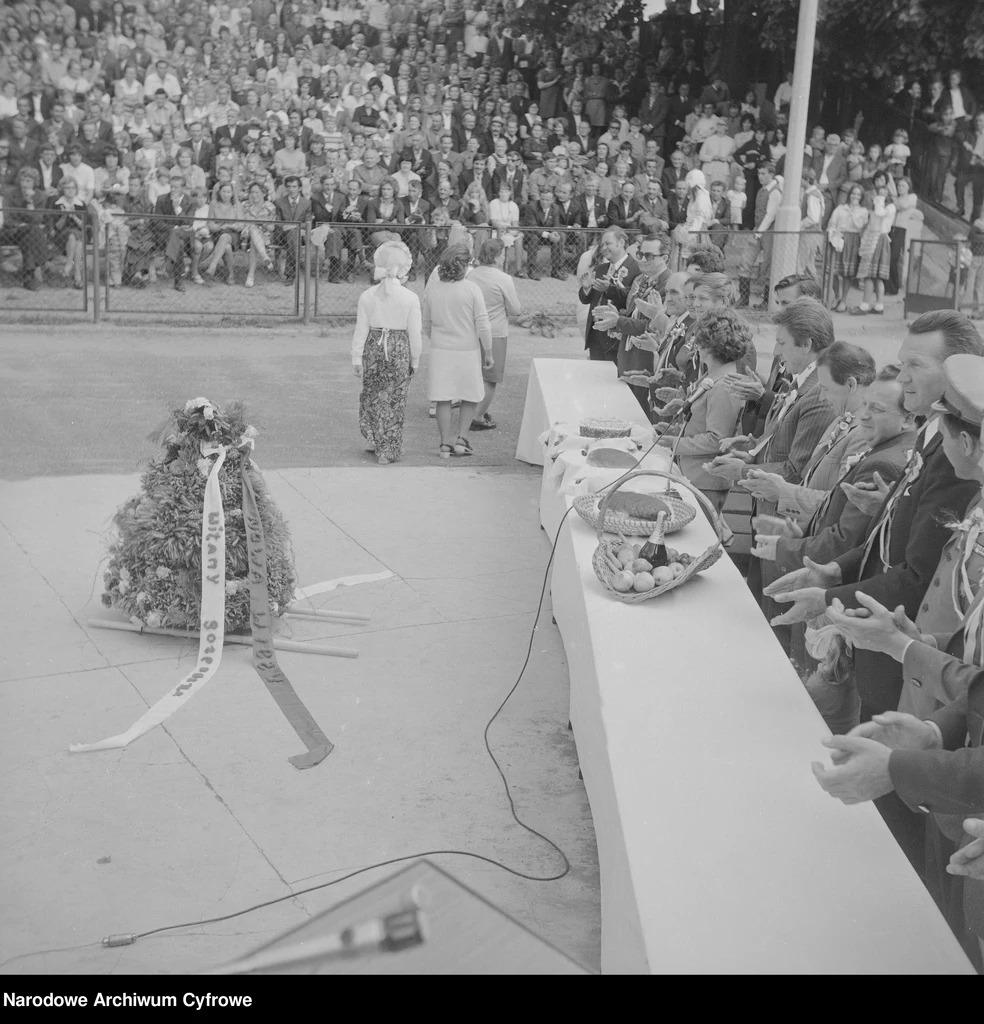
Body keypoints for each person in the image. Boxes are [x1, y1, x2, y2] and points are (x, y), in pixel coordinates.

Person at [708, 298, 838, 640]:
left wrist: (742, 471)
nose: (776, 352)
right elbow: (780, 437)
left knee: (774, 614)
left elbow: (796, 470)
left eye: (781, 343)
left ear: (807, 344)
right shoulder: (801, 383)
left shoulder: (819, 394)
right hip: (769, 508)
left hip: (786, 520)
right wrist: (751, 449)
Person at [655, 308, 748, 514]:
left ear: (708, 345)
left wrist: (675, 444)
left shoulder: (724, 384)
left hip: (706, 480)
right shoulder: (713, 375)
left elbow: (717, 439)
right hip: (695, 474)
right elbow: (701, 420)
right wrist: (676, 430)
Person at [352, 240, 422, 466]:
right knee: (395, 399)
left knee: (373, 394)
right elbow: (415, 334)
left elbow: (361, 328)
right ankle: (387, 448)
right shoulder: (411, 298)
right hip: (399, 347)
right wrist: (415, 359)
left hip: (373, 345)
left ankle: (374, 439)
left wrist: (356, 357)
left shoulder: (368, 295)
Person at [422, 243, 494, 459]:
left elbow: (426, 323)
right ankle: (462, 439)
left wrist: (438, 339)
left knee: (443, 396)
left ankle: (445, 444)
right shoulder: (472, 289)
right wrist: (488, 351)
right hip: (467, 349)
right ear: (464, 265)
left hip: (441, 349)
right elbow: (483, 323)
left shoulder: (434, 289)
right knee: (469, 394)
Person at [468, 238, 521, 432]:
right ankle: (479, 416)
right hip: (496, 331)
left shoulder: (472, 275)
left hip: (473, 330)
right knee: (491, 377)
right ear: (498, 256)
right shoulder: (503, 278)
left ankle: (472, 410)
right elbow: (515, 309)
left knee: (474, 373)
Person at [579, 227, 640, 363]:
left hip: (615, 335)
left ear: (621, 243)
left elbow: (631, 299)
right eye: (602, 245)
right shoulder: (600, 269)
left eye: (608, 244)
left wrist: (609, 289)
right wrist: (586, 288)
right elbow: (586, 299)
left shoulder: (636, 269)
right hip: (595, 334)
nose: (604, 248)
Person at [736, 162, 782, 308]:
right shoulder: (762, 190)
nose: (760, 176)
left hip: (769, 232)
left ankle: (766, 302)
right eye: (759, 173)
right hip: (758, 229)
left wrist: (758, 233)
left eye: (764, 173)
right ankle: (744, 299)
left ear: (771, 174)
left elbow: (770, 215)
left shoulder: (775, 191)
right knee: (745, 260)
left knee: (768, 266)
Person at [850, 171, 896, 316]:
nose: (880, 194)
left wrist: (879, 200)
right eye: (879, 192)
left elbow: (880, 214)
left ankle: (867, 305)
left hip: (880, 239)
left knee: (872, 275)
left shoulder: (889, 207)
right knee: (873, 275)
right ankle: (877, 306)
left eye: (883, 192)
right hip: (873, 237)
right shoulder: (879, 205)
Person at [827, 184, 868, 312]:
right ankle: (837, 296)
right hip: (839, 238)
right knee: (832, 270)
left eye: (858, 195)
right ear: (849, 194)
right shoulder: (840, 208)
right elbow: (831, 223)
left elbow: (861, 227)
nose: (855, 196)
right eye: (853, 193)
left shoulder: (863, 211)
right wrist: (833, 234)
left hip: (853, 240)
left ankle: (844, 300)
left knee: (847, 273)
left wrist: (853, 214)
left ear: (861, 197)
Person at [48, 175, 88, 289]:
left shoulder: (81, 204)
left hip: (79, 235)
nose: (70, 190)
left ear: (76, 189)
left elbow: (83, 226)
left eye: (72, 188)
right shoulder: (57, 204)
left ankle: (70, 266)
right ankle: (76, 273)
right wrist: (65, 216)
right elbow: (57, 227)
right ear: (62, 189)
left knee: (77, 239)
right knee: (72, 236)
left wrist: (74, 216)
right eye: (67, 188)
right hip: (62, 236)